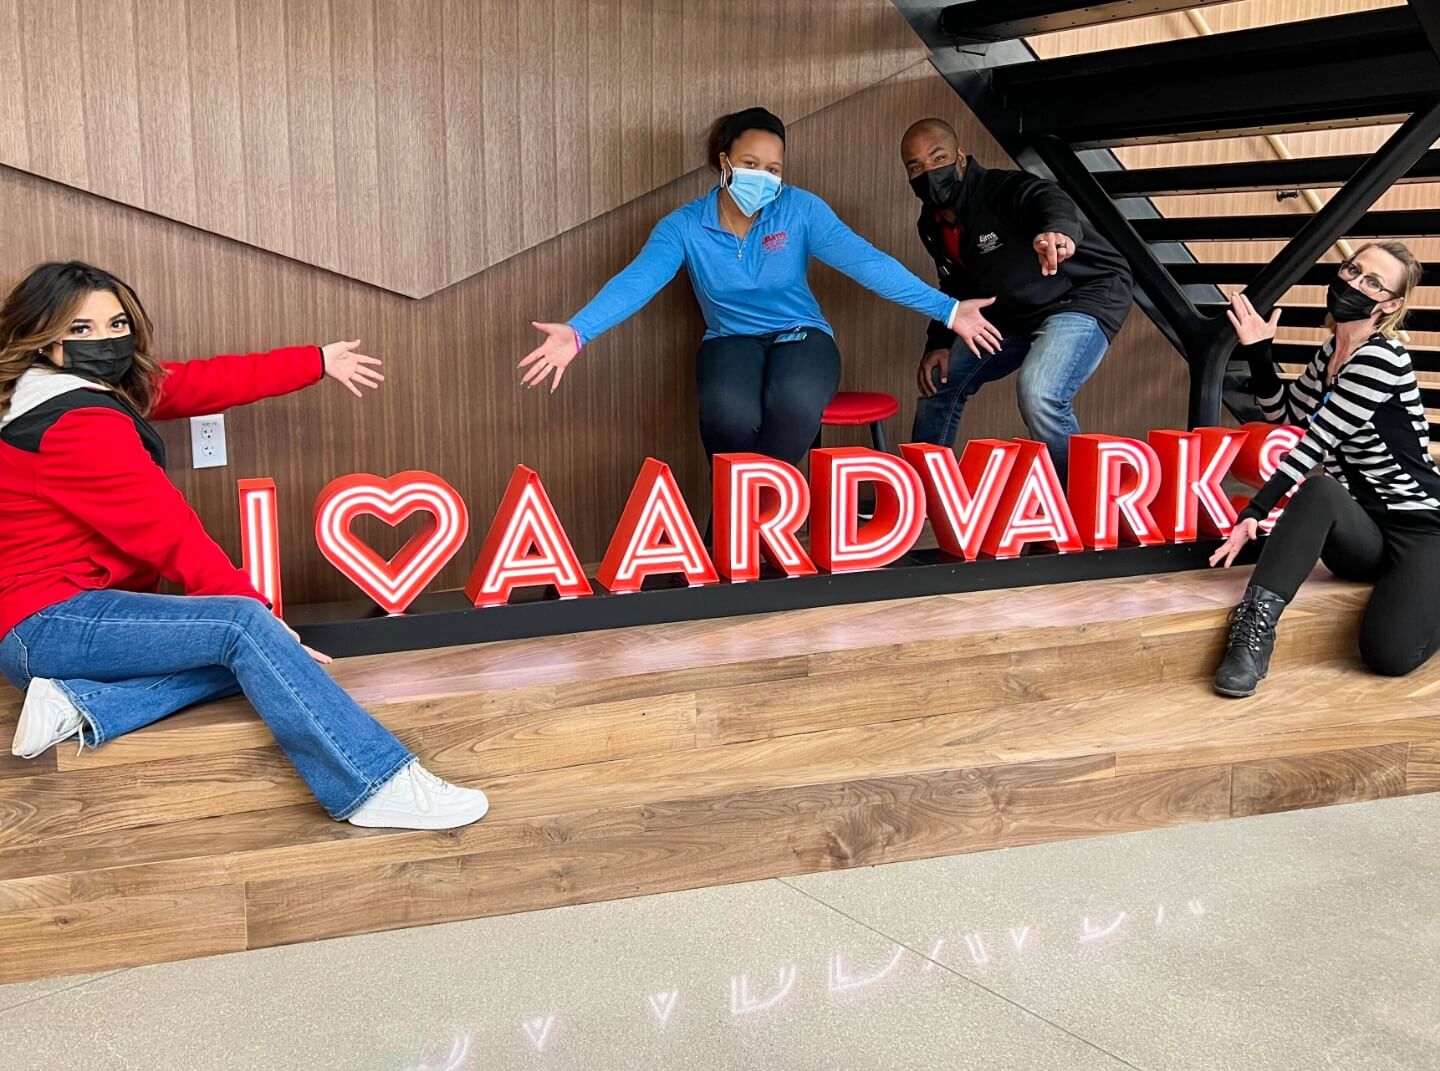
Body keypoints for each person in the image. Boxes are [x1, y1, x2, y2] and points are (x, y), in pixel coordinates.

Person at [0, 261, 490, 829]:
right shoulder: (78, 423)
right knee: (245, 632)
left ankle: (78, 703)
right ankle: (374, 783)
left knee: (260, 656)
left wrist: (315, 362)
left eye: (116, 325)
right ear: (40, 336)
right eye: (80, 330)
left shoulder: (43, 393)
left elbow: (192, 382)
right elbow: (169, 532)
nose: (106, 342)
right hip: (52, 622)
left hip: (49, 628)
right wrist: (259, 620)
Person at [519, 107, 964, 468]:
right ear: (724, 161)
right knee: (727, 416)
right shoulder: (685, 226)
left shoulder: (799, 209)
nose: (764, 177)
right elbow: (638, 281)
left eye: (774, 168)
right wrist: (579, 332)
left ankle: (743, 531)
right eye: (751, 165)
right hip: (731, 339)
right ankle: (747, 540)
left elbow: (868, 263)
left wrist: (948, 310)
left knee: (792, 402)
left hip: (801, 334)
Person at [1209, 241, 1435, 697]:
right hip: (1367, 528)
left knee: (1388, 657)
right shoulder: (1332, 350)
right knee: (1322, 492)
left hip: (1422, 529)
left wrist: (1254, 510)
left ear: (1389, 304)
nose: (1354, 283)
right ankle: (1251, 636)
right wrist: (1259, 352)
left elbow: (1316, 442)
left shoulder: (1382, 358)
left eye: (1373, 282)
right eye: (1354, 270)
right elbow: (1287, 419)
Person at [900, 118, 1134, 482]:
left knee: (1039, 393)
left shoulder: (1000, 189)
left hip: (1078, 296)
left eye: (938, 158)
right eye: (916, 166)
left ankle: (1079, 501)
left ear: (960, 158)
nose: (929, 172)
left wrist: (1057, 229)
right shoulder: (930, 224)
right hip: (1011, 312)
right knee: (940, 381)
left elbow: (1046, 197)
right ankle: (923, 492)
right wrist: (941, 342)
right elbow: (956, 283)